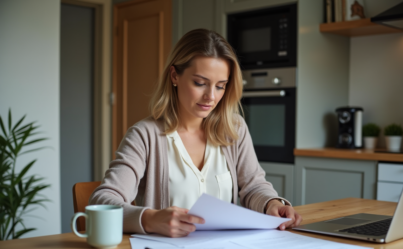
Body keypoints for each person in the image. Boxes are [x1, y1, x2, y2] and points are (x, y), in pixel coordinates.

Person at [90, 29, 302, 238]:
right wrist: (150, 219)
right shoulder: (144, 136)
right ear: (174, 76)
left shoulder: (234, 129)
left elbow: (253, 186)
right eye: (200, 83)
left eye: (220, 86)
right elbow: (102, 200)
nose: (210, 96)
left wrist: (272, 203)